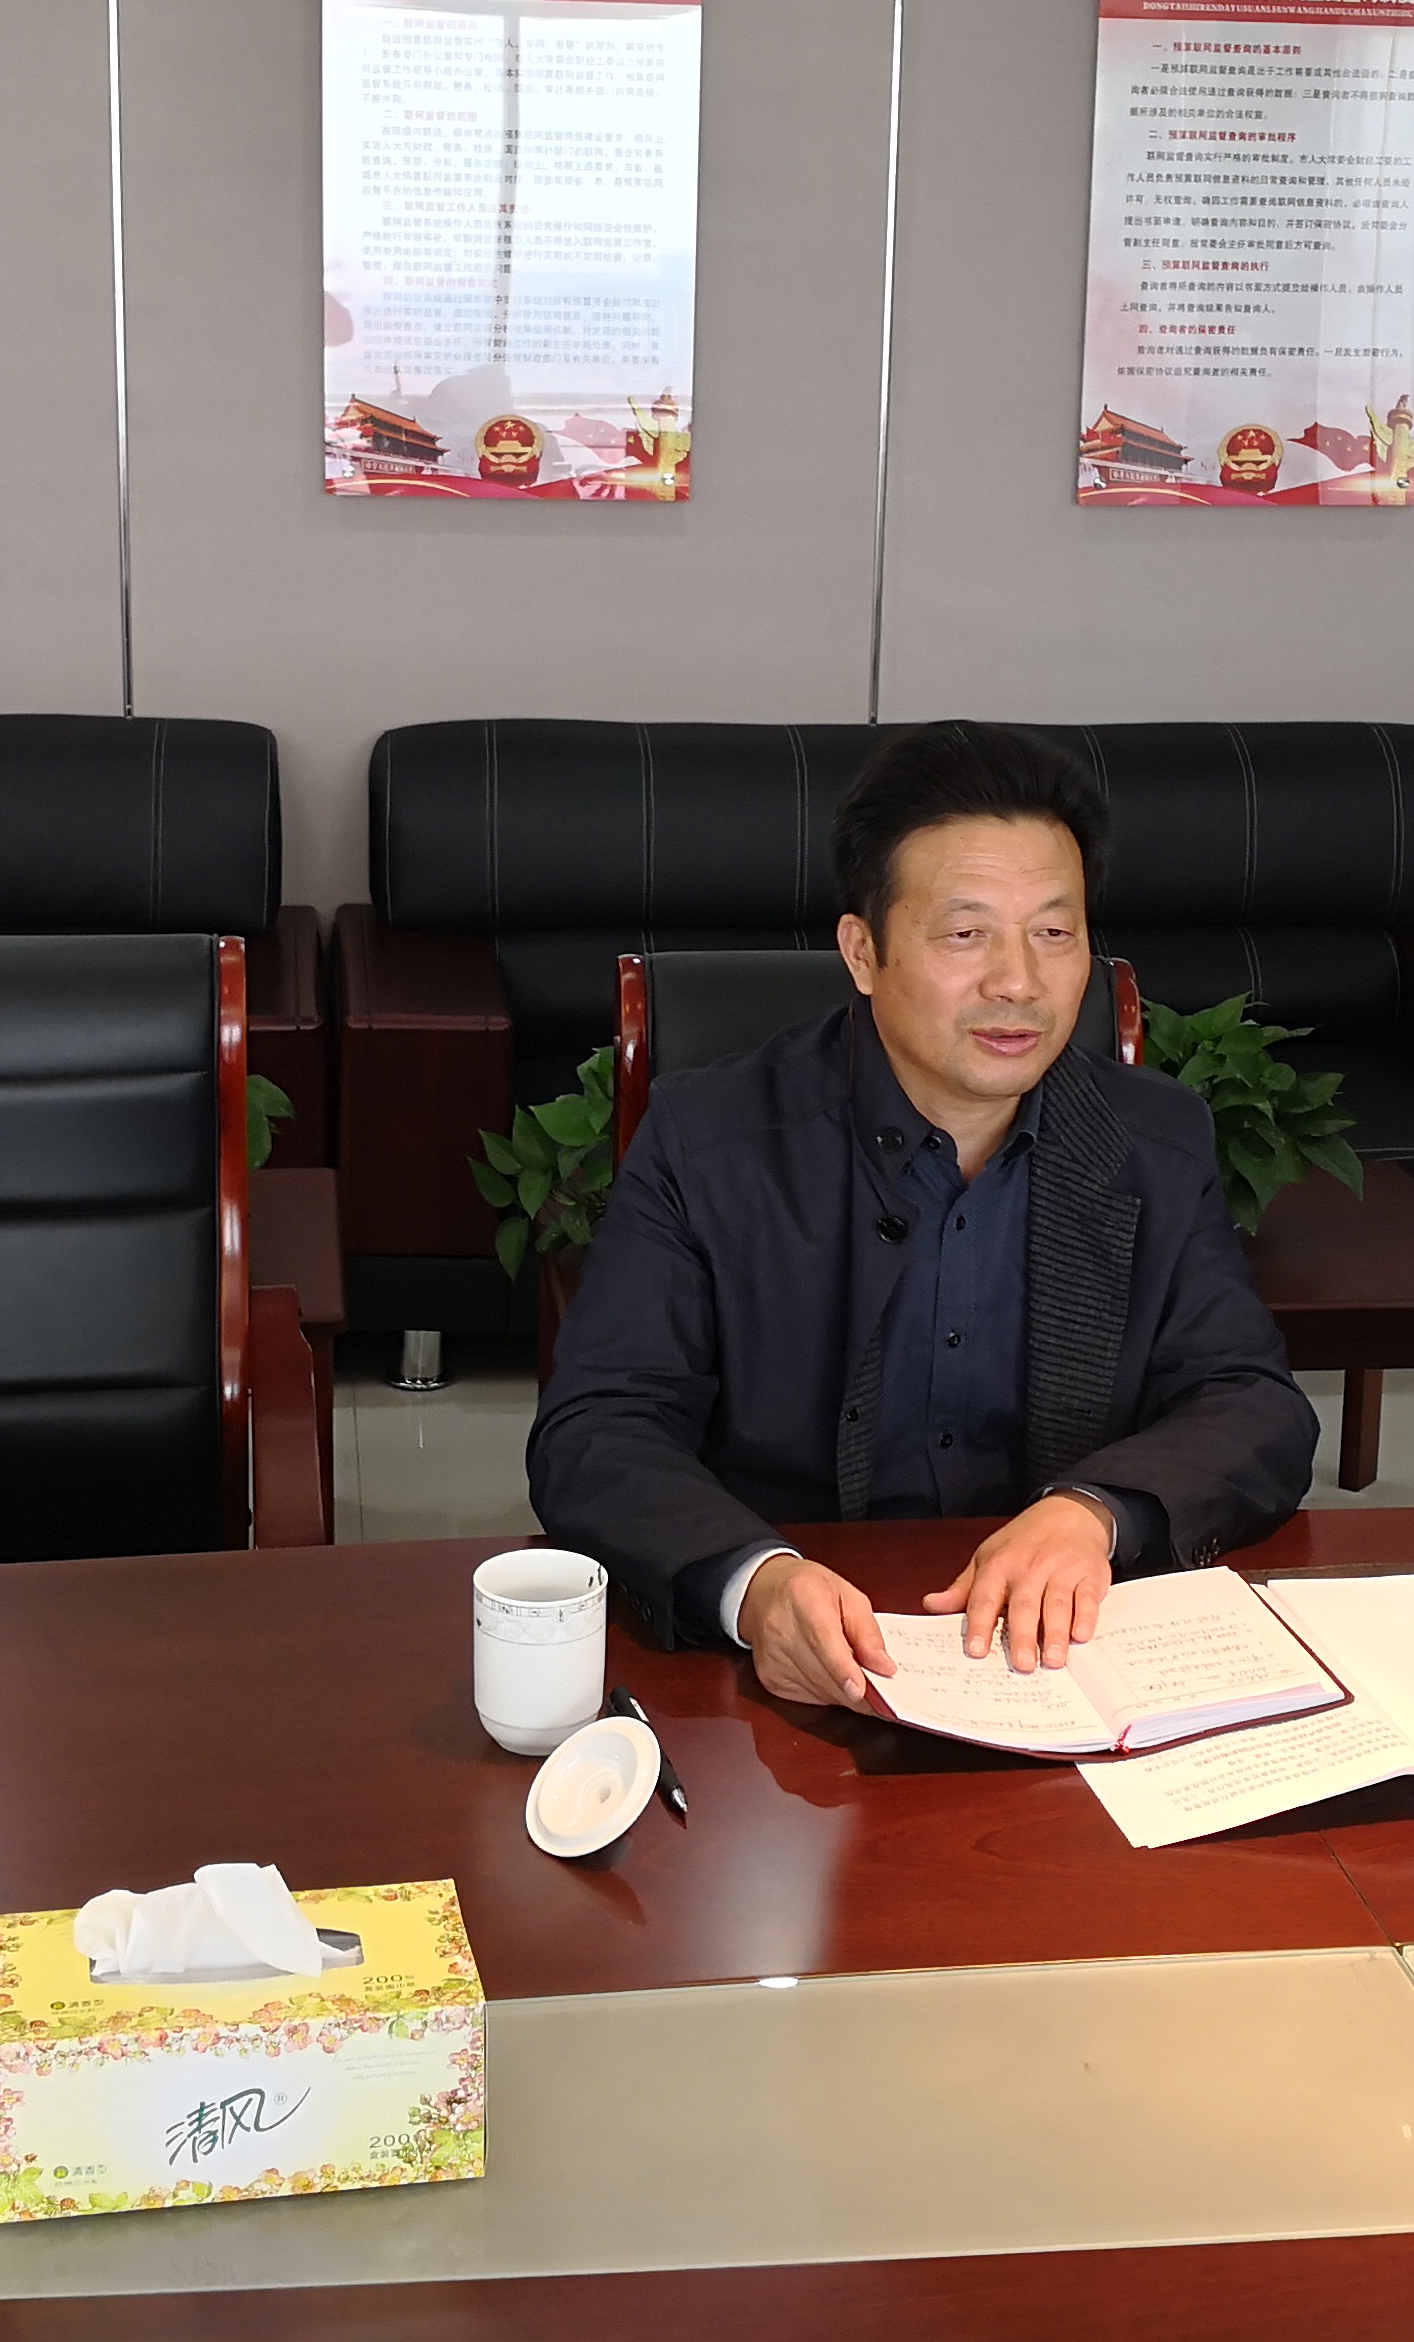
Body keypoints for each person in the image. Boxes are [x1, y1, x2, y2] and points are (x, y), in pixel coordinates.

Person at [529, 721, 1318, 1706]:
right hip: (786, 1674)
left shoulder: (1149, 1142)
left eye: (1053, 933)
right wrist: (755, 1585)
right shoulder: (710, 1141)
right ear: (863, 952)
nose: (1017, 982)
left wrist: (1092, 1512)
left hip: (1056, 1660)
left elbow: (1251, 1402)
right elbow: (599, 1428)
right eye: (964, 934)